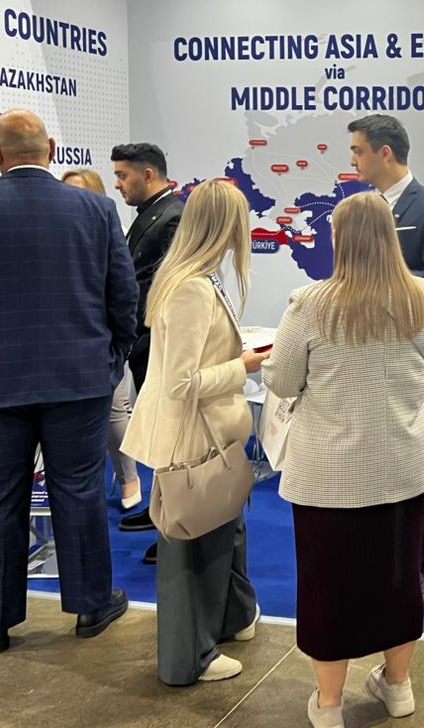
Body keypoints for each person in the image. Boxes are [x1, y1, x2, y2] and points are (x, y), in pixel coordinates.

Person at [0, 109, 139, 654]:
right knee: (79, 490)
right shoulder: (97, 209)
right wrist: (111, 360)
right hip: (79, 378)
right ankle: (91, 605)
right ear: (52, 149)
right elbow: (123, 296)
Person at [263, 192, 424, 728]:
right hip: (404, 466)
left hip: (330, 474)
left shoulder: (310, 304)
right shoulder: (422, 297)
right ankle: (398, 686)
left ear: (339, 240)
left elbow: (282, 380)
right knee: (401, 579)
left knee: (328, 587)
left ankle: (329, 704)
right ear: (391, 237)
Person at [120, 179, 265, 685]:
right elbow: (182, 384)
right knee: (191, 553)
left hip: (208, 436)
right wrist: (242, 366)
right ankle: (189, 659)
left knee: (222, 536)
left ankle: (229, 620)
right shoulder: (190, 288)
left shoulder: (195, 278)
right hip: (192, 439)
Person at [348, 114, 424, 597]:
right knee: (366, 464)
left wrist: (380, 286)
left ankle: (417, 565)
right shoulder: (358, 209)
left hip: (406, 354)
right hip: (357, 355)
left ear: (384, 153)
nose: (353, 159)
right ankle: (371, 560)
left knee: (409, 468)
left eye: (359, 150)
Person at [112, 143, 184, 547]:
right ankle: (161, 508)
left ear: (149, 175)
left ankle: (173, 524)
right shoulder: (152, 214)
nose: (118, 184)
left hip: (158, 341)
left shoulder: (173, 216)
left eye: (123, 175)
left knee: (169, 433)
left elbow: (162, 287)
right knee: (159, 431)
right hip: (143, 339)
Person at [61, 168, 138, 509]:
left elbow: (124, 293)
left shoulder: (109, 230)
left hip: (103, 343)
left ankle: (129, 478)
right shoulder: (57, 236)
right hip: (64, 346)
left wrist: (119, 346)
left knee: (114, 413)